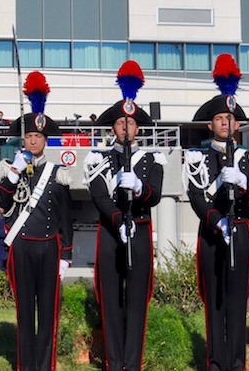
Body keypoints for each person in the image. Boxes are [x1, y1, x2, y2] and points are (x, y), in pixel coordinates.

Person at [184, 55, 249, 371]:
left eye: (230, 119)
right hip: (212, 233)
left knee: (237, 301)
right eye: (219, 119)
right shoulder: (197, 158)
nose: (225, 124)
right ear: (210, 124)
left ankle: (237, 363)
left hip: (240, 231)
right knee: (214, 301)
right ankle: (216, 363)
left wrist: (243, 181)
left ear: (238, 124)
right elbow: (195, 197)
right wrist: (216, 220)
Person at [84, 60, 164, 371]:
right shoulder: (98, 159)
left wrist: (139, 187)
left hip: (139, 231)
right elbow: (99, 197)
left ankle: (133, 363)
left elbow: (154, 195)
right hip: (110, 233)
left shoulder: (152, 159)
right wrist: (118, 220)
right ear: (113, 128)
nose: (125, 128)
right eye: (120, 123)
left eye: (130, 123)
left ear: (138, 128)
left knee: (137, 301)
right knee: (111, 301)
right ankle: (114, 363)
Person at [0, 71, 75, 371]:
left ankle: (45, 366)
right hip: (22, 248)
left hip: (49, 248)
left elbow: (66, 217)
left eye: (37, 136)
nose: (33, 140)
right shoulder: (10, 169)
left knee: (48, 314)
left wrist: (66, 255)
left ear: (45, 139)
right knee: (24, 313)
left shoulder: (57, 173)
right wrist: (13, 174)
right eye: (28, 136)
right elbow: (1, 205)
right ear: (23, 139)